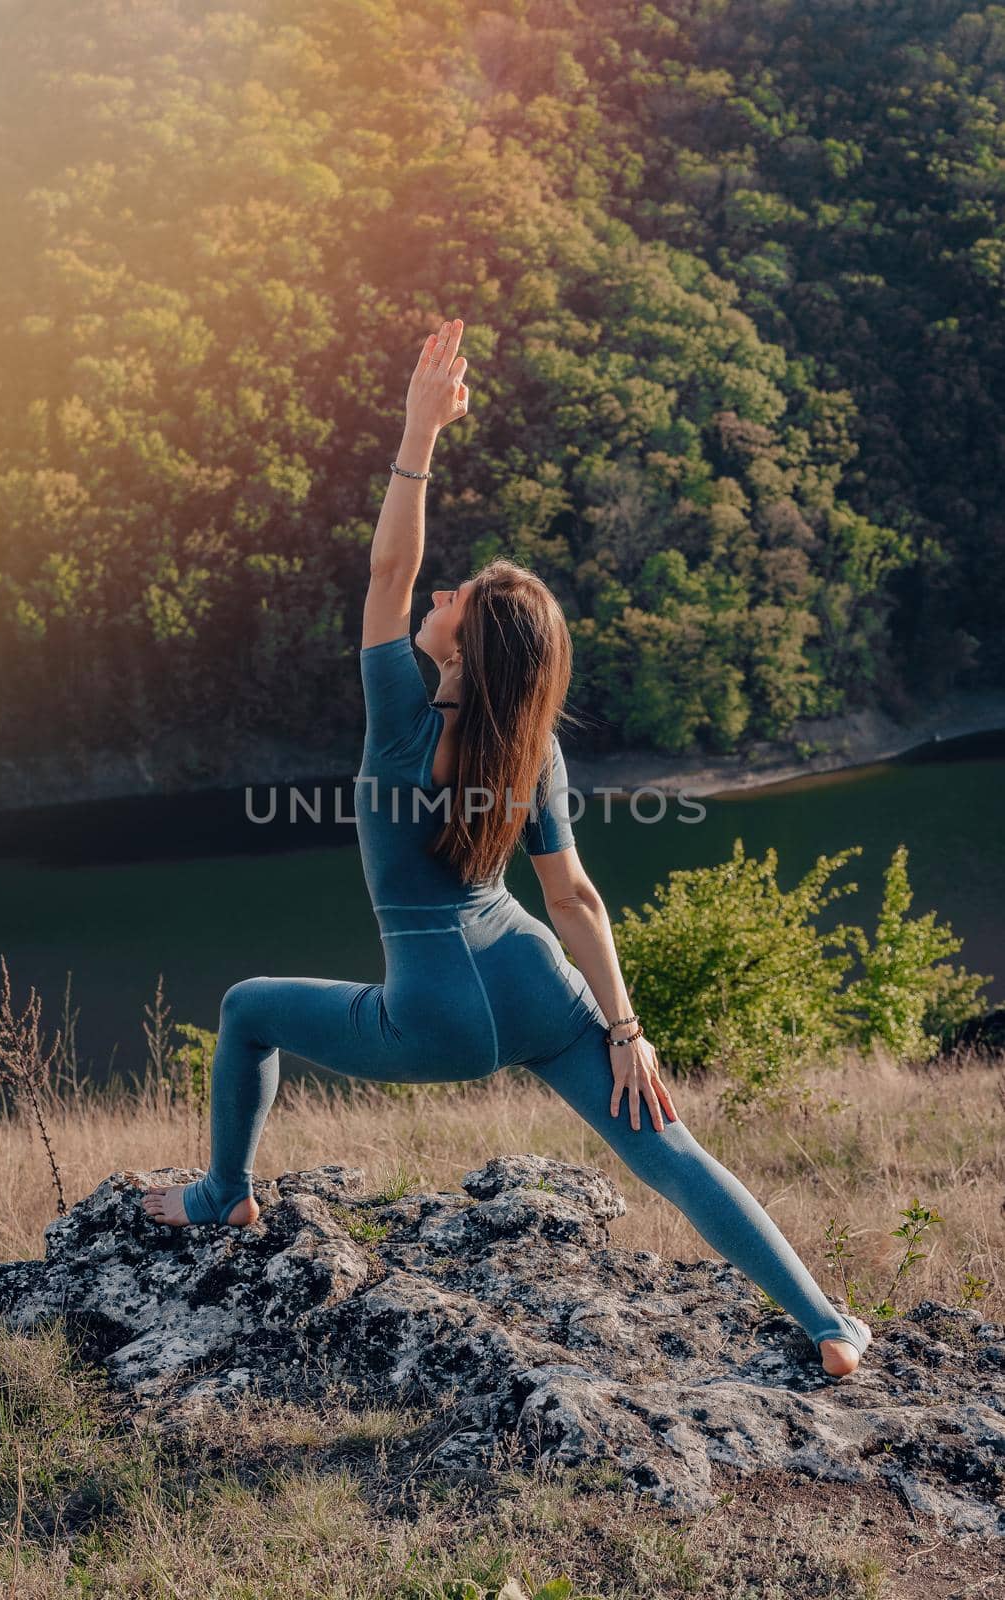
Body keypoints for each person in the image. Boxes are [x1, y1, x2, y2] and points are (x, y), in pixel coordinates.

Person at [143, 316, 872, 1378]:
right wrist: (626, 1030)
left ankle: (223, 1193)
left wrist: (417, 431)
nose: (435, 598)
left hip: (429, 1016)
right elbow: (573, 896)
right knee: (667, 1147)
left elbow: (391, 562)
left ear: (458, 645)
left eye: (456, 602)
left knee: (249, 1008)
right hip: (532, 979)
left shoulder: (398, 715)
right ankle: (825, 1324)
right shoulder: (530, 750)